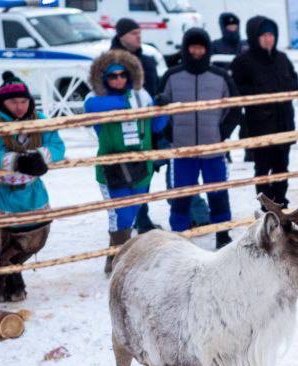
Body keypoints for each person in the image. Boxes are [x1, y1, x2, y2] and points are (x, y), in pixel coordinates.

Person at [0, 73, 65, 302]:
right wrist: (18, 161)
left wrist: (41, 157)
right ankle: (10, 281)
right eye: (13, 102)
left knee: (37, 236)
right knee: (4, 237)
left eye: (23, 101)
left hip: (32, 191)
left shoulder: (40, 119)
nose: (20, 106)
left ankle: (0, 269)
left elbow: (57, 145)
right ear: (2, 103)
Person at [85, 50, 167, 272]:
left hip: (141, 167)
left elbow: (156, 126)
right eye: (113, 76)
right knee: (121, 216)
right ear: (104, 79)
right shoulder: (95, 99)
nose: (119, 79)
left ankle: (123, 260)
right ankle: (114, 262)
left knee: (132, 214)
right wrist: (131, 103)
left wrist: (162, 109)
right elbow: (93, 109)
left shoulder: (141, 96)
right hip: (113, 169)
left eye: (123, 74)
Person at [160, 28, 240, 244]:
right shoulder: (172, 76)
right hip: (183, 151)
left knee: (218, 194)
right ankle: (179, 237)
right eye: (192, 47)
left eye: (201, 47)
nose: (197, 51)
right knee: (181, 197)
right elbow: (160, 108)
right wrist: (171, 132)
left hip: (213, 151)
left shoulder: (220, 77)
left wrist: (221, 133)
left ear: (207, 49)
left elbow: (235, 108)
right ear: (186, 49)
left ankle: (223, 234)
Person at [230, 15, 298, 209]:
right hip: (260, 125)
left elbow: (295, 83)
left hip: (284, 122)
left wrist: (284, 89)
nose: (268, 38)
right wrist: (263, 94)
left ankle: (281, 202)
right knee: (262, 168)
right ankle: (267, 206)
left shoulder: (282, 59)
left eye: (271, 34)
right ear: (254, 36)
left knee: (282, 167)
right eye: (263, 35)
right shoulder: (243, 61)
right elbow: (237, 90)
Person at [110, 17, 162, 232]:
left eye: (139, 33)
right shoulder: (111, 62)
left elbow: (155, 91)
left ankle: (142, 218)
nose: (138, 37)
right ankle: (125, 224)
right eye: (133, 33)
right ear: (122, 36)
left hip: (147, 126)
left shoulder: (148, 60)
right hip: (121, 128)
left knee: (144, 174)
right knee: (123, 175)